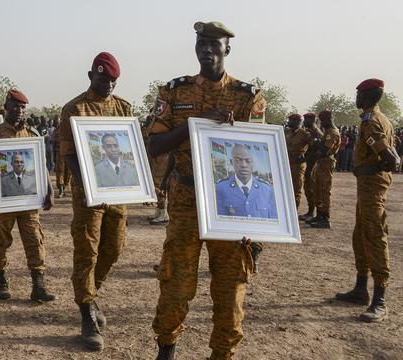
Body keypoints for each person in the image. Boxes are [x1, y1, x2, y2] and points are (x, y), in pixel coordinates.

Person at [147, 22, 267, 359]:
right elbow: (154, 144)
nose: (207, 49)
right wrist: (193, 125)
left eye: (214, 43)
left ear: (227, 49)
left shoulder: (248, 97)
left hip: (231, 204)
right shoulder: (173, 91)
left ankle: (222, 354)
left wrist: (256, 229)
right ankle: (166, 349)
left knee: (230, 292)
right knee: (176, 285)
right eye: (201, 42)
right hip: (186, 203)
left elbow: (259, 153)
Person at [59, 52, 133, 351]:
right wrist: (90, 187)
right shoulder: (74, 108)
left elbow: (130, 150)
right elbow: (68, 154)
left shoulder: (124, 108)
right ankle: (87, 312)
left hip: (117, 191)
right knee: (87, 250)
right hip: (87, 194)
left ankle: (93, 291)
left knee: (114, 248)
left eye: (113, 81)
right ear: (91, 76)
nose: (109, 85)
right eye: (104, 79)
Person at [0, 89, 56, 302]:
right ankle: (2, 281)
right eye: (15, 106)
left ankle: (38, 284)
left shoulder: (32, 135)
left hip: (29, 202)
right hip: (4, 202)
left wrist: (49, 190)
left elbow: (41, 167)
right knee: (0, 241)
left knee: (35, 241)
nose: (19, 110)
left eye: (22, 107)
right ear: (6, 106)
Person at [336, 78, 400, 323]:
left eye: (359, 95)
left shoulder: (372, 121)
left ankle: (380, 300)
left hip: (373, 187)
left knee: (374, 236)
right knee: (360, 234)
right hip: (367, 187)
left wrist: (376, 167)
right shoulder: (377, 118)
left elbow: (390, 159)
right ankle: (361, 289)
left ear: (367, 97)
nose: (356, 99)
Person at [215, 144, 277, 219]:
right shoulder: (220, 189)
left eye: (248, 161)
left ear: (253, 163)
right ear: (232, 162)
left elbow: (274, 222)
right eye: (238, 160)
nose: (244, 165)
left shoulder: (267, 190)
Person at [307, 110, 340, 229]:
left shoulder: (332, 133)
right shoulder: (327, 132)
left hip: (327, 163)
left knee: (325, 191)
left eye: (322, 121)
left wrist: (316, 141)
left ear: (328, 120)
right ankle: (320, 214)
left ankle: (325, 217)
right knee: (317, 190)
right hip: (320, 164)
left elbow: (325, 151)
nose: (321, 123)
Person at [299, 112, 324, 222]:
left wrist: (305, 159)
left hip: (313, 164)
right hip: (309, 164)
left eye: (306, 119)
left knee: (312, 188)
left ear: (313, 120)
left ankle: (312, 212)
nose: (304, 121)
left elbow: (316, 151)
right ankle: (310, 211)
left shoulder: (316, 133)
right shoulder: (309, 132)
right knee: (308, 188)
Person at [284, 113, 311, 210]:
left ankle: (294, 210)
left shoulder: (305, 134)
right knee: (285, 188)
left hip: (298, 165)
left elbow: (314, 148)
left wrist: (304, 158)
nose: (288, 122)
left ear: (297, 122)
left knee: (296, 189)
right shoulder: (287, 131)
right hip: (287, 163)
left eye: (290, 121)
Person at [53, 118, 71, 197]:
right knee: (60, 171)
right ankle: (61, 189)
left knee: (68, 171)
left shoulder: (71, 128)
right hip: (60, 152)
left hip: (69, 153)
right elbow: (53, 142)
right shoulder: (57, 130)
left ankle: (64, 188)